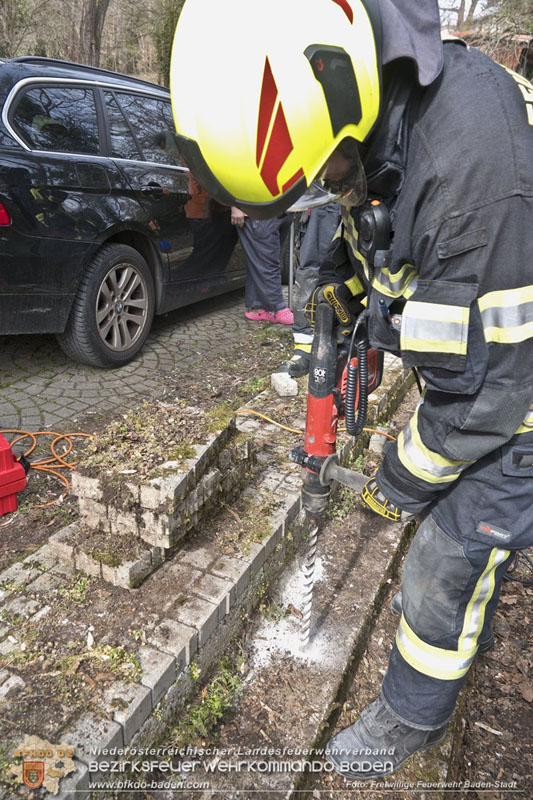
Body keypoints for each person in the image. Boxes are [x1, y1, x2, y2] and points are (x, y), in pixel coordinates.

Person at [170, 0, 533, 781]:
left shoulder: (474, 169)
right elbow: (359, 210)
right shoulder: (371, 120)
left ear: (341, 97)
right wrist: (340, 285)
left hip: (519, 393)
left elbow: (485, 400)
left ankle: (413, 716)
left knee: (446, 553)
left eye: (325, 174)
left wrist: (396, 481)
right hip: (488, 360)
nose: (330, 189)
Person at [277, 202, 341, 376]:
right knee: (310, 272)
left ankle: (349, 343)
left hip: (367, 194)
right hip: (325, 200)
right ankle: (305, 349)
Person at [231, 207, 294, 324]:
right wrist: (236, 206)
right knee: (268, 263)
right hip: (257, 212)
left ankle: (257, 308)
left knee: (260, 260)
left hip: (281, 209)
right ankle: (278, 309)